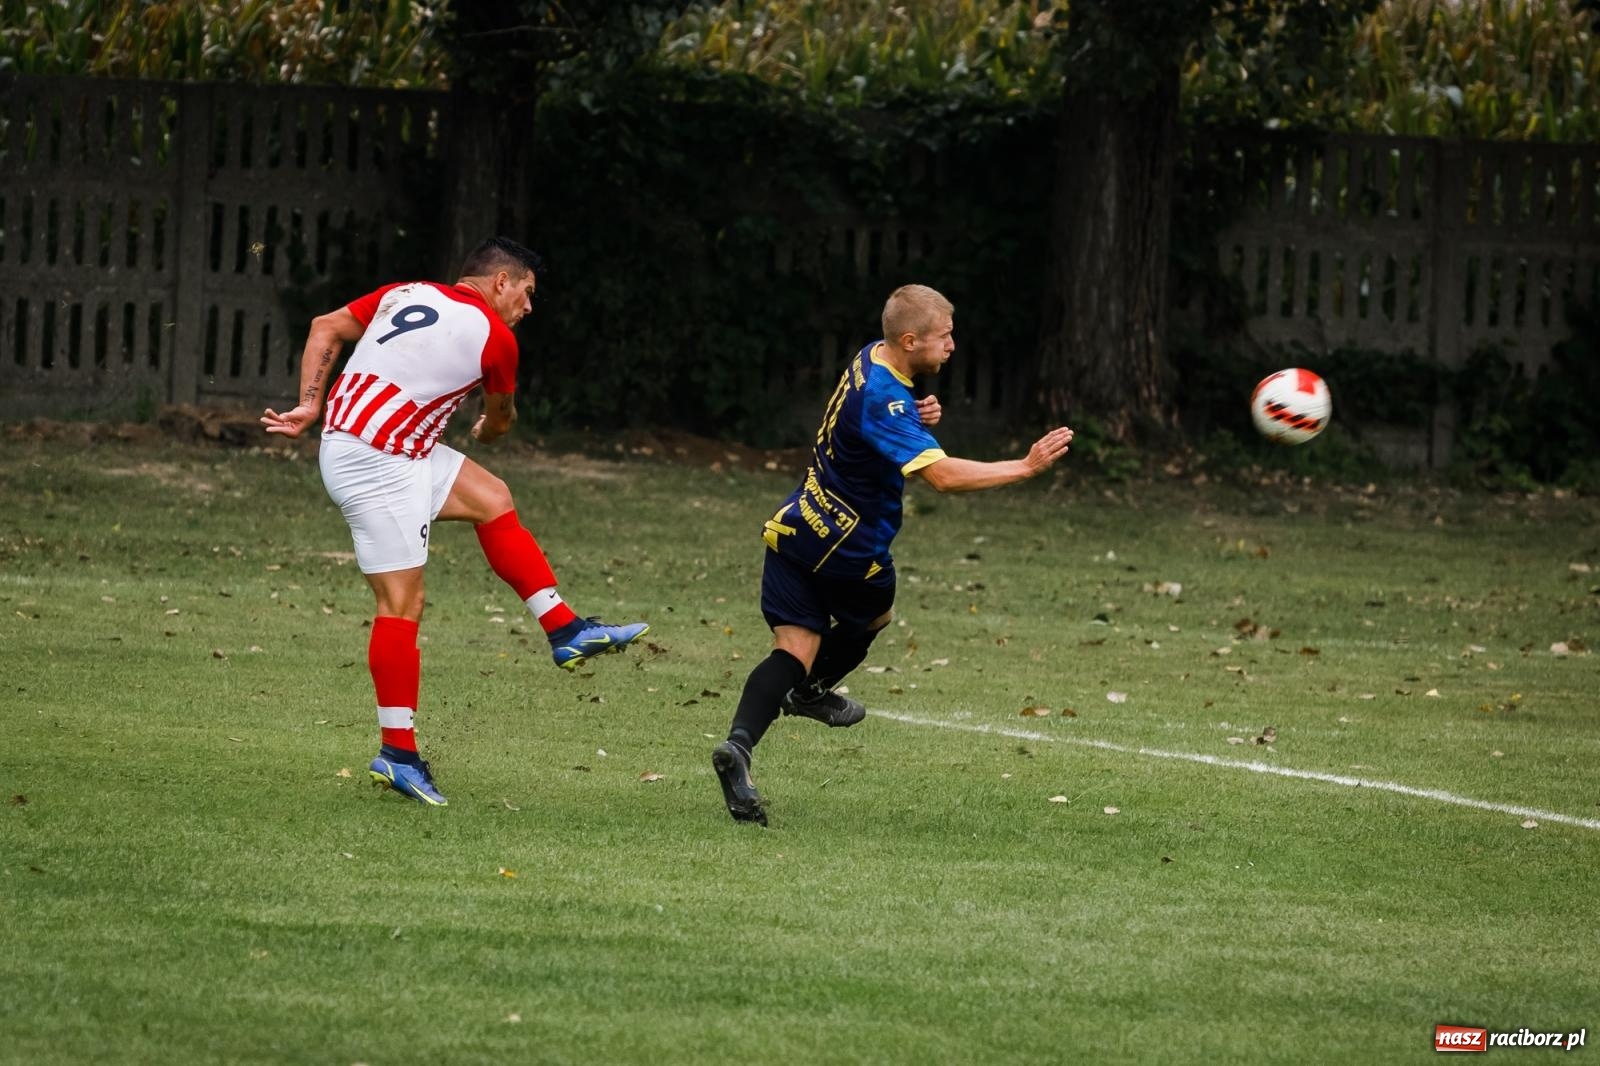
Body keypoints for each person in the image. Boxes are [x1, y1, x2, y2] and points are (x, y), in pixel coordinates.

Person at [261, 237, 649, 807]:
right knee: (401, 605)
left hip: (391, 446)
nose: (529, 306)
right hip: (375, 461)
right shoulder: (497, 339)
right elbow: (498, 421)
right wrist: (493, 429)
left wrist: (311, 403)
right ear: (501, 282)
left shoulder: (405, 292)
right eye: (527, 292)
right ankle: (397, 754)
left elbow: (325, 326)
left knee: (492, 497)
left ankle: (565, 630)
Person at [711, 284, 1074, 825]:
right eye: (943, 337)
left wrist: (917, 417)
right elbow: (943, 477)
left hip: (796, 528)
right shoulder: (886, 398)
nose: (952, 345)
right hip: (849, 548)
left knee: (794, 646)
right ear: (910, 340)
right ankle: (810, 694)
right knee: (877, 614)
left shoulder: (872, 357)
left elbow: (881, 417)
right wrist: (1024, 466)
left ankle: (738, 747)